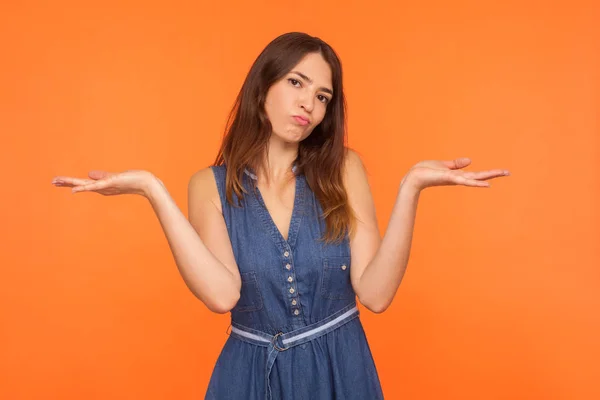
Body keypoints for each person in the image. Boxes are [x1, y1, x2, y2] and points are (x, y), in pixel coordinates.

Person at [51, 31, 510, 399]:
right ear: (263, 86)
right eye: (296, 82)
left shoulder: (344, 169)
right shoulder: (208, 185)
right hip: (249, 379)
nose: (310, 103)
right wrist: (153, 190)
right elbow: (220, 295)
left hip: (340, 372)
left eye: (324, 96)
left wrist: (411, 188)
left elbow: (375, 293)